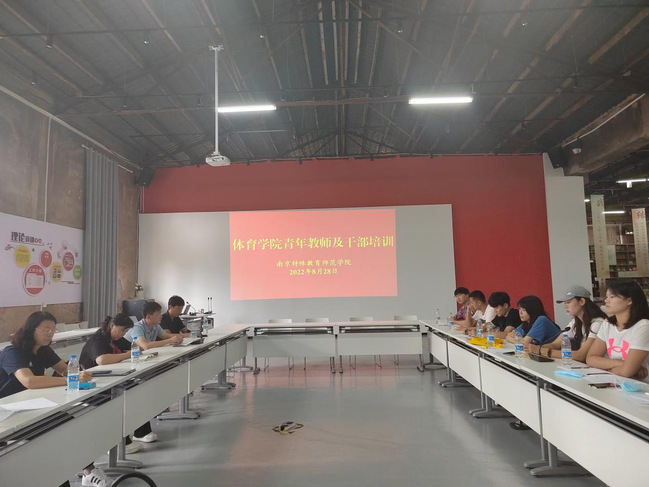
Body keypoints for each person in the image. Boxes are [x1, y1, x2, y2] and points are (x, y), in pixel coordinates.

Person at [0, 312, 107, 487]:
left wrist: (78, 374)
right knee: (50, 437)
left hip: (32, 405)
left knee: (68, 422)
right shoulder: (13, 352)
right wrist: (70, 379)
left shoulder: (43, 350)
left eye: (53, 330)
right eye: (46, 329)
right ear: (31, 329)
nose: (50, 334)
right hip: (8, 411)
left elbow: (65, 369)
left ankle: (88, 471)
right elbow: (29, 381)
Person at [79, 314, 157, 448]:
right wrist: (127, 354)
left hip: (111, 378)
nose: (123, 334)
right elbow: (101, 360)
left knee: (137, 389)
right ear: (112, 326)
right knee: (119, 398)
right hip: (93, 384)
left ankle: (141, 432)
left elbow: (134, 348)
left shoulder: (116, 338)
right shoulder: (98, 339)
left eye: (126, 331)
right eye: (122, 330)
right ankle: (118, 442)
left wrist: (132, 351)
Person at [586, 280, 649, 382]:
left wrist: (606, 367)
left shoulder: (643, 326)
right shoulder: (607, 324)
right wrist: (620, 363)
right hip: (617, 382)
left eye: (612, 297)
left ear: (629, 301)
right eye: (607, 296)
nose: (606, 300)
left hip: (640, 387)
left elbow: (626, 372)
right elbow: (590, 358)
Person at [533, 285, 607, 362]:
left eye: (568, 302)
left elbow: (581, 355)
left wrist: (547, 352)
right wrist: (537, 348)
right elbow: (556, 344)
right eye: (564, 303)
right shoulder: (575, 322)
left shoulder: (597, 323)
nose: (565, 307)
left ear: (582, 301)